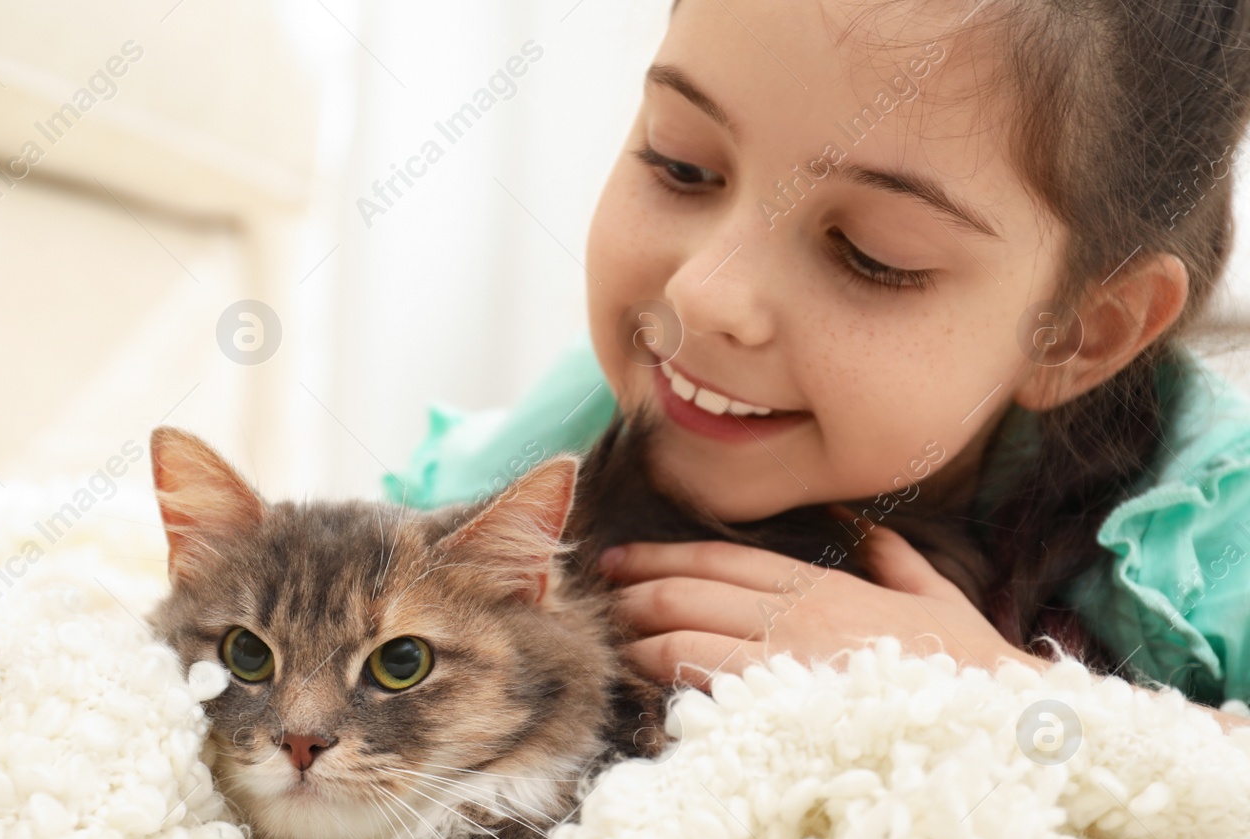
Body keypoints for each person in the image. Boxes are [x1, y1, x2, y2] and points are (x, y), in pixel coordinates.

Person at [386, 0, 1250, 732]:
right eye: (681, 164)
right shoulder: (569, 432)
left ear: (1081, 332)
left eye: (869, 255)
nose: (703, 296)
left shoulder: (1216, 522)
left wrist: (998, 694)